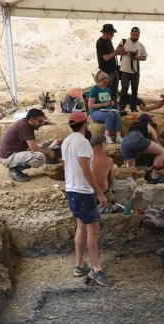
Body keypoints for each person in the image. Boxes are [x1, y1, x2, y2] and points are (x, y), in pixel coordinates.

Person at [62, 111, 111, 287]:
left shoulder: (67, 141)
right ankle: (96, 269)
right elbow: (85, 169)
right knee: (93, 231)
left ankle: (79, 265)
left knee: (81, 227)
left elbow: (68, 166)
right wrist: (99, 193)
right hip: (83, 192)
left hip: (71, 190)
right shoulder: (82, 143)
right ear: (84, 124)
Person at [0, 109, 58, 183]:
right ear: (32, 119)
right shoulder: (24, 126)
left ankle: (15, 169)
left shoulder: (26, 124)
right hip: (7, 157)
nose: (42, 124)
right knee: (40, 157)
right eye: (40, 121)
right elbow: (33, 148)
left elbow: (31, 145)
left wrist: (45, 148)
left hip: (10, 154)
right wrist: (47, 152)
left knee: (41, 149)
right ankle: (14, 170)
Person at [89, 134, 137, 213]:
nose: (106, 146)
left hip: (86, 195)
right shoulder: (108, 160)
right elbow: (111, 182)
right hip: (102, 196)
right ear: (101, 144)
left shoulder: (85, 158)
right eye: (105, 143)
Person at [118, 26, 147, 112]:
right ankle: (121, 107)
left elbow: (144, 57)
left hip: (135, 72)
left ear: (139, 35)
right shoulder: (124, 41)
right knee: (124, 88)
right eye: (133, 35)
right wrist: (127, 53)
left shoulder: (140, 45)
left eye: (137, 35)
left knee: (135, 89)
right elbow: (118, 52)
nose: (135, 37)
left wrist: (137, 57)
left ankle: (133, 107)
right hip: (125, 70)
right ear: (130, 34)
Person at [88, 72, 122, 144]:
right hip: (95, 112)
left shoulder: (107, 89)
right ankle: (106, 136)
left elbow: (108, 100)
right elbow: (90, 106)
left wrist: (111, 102)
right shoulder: (94, 90)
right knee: (109, 114)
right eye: (104, 82)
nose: (106, 84)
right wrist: (103, 104)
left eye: (107, 82)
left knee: (116, 113)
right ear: (99, 80)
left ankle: (118, 136)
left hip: (106, 110)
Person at [95, 24, 122, 102]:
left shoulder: (108, 41)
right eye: (111, 33)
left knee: (114, 93)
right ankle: (106, 109)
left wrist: (120, 52)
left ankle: (113, 109)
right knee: (106, 93)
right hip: (106, 72)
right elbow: (106, 57)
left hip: (113, 70)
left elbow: (112, 53)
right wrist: (116, 52)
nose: (113, 35)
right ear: (106, 33)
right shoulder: (100, 43)